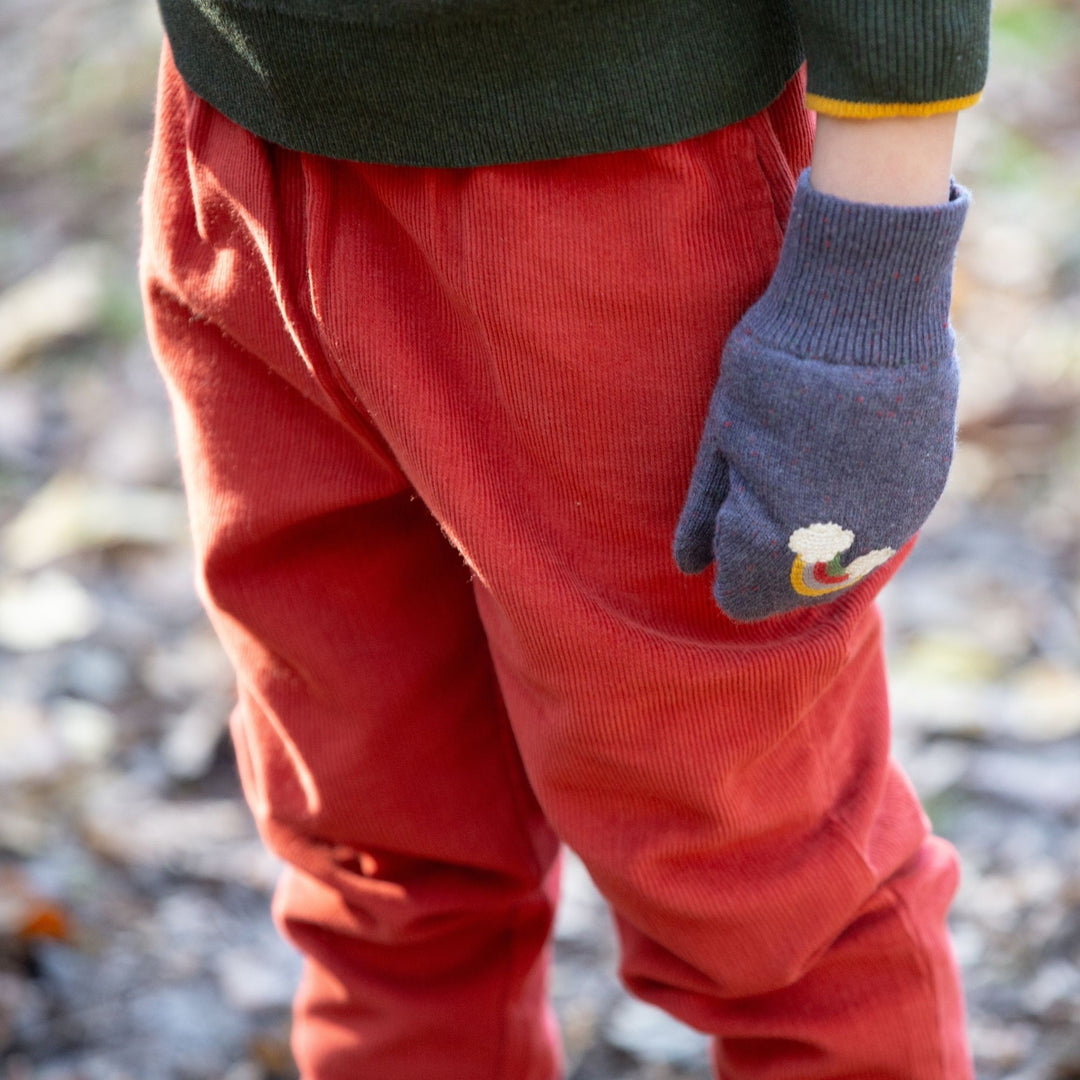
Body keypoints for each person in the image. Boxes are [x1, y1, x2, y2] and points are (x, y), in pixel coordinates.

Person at [137, 2, 991, 1076]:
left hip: (612, 196)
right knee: (378, 849)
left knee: (765, 887)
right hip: (239, 152)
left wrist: (875, 266)